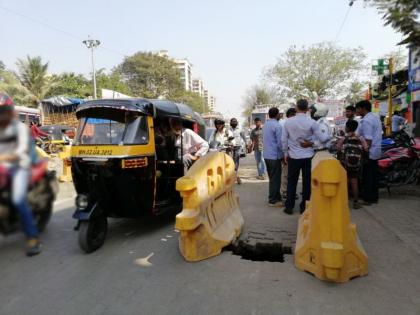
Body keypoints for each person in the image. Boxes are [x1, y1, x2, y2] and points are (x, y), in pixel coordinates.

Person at [0, 92, 41, 256]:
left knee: (18, 200)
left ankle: (33, 239)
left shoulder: (19, 128)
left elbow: (20, 151)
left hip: (19, 167)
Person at [282, 99, 330, 215]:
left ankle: (289, 207)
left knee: (291, 182)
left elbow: (283, 140)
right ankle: (305, 207)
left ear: (296, 108)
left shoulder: (288, 122)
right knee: (307, 183)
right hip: (308, 156)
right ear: (307, 109)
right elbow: (324, 139)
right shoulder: (312, 123)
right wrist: (311, 143)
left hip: (293, 156)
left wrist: (285, 154)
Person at [337, 119, 368, 209]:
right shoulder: (360, 138)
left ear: (347, 127)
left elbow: (338, 149)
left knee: (345, 182)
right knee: (354, 182)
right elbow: (366, 148)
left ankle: (344, 202)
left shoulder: (343, 139)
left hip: (345, 163)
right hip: (356, 164)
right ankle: (355, 202)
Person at [355, 100, 382, 205]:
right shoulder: (375, 117)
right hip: (376, 150)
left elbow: (368, 139)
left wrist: (364, 152)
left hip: (369, 152)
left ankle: (368, 199)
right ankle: (374, 198)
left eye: (357, 109)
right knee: (374, 175)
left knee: (368, 176)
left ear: (362, 109)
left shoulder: (366, 121)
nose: (357, 111)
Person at [263, 107, 284, 207]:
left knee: (272, 178)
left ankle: (277, 197)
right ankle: (272, 200)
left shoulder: (266, 125)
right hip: (274, 156)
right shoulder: (277, 126)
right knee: (275, 179)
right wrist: (283, 155)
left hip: (267, 155)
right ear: (277, 115)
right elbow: (280, 143)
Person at [280, 107, 296, 199]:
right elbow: (283, 140)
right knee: (286, 173)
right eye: (292, 115)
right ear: (289, 115)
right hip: (287, 151)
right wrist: (284, 153)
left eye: (295, 115)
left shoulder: (296, 123)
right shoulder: (283, 124)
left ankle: (291, 191)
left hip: (296, 152)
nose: (294, 117)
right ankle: (285, 191)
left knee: (294, 174)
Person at [229, 118, 246, 185]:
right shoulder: (228, 130)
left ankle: (235, 172)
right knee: (231, 161)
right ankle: (234, 174)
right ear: (230, 123)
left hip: (238, 147)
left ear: (237, 122)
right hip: (230, 147)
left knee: (236, 160)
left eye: (235, 121)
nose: (234, 122)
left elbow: (244, 137)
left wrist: (246, 144)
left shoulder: (240, 129)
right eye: (232, 121)